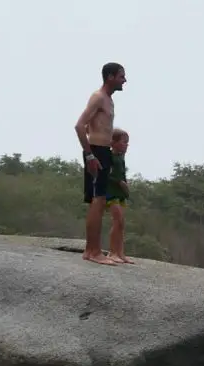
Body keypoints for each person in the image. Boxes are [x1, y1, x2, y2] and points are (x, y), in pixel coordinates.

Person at [73, 62, 127, 265]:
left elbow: (90, 126)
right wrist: (89, 155)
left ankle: (91, 251)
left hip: (103, 151)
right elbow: (79, 126)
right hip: (95, 152)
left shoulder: (109, 101)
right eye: (121, 76)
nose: (125, 80)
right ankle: (93, 251)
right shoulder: (98, 97)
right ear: (110, 76)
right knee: (97, 200)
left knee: (100, 200)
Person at [105, 128, 133, 264]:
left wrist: (126, 187)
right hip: (111, 192)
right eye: (124, 142)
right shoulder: (108, 156)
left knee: (121, 223)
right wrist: (119, 182)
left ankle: (121, 253)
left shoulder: (121, 157)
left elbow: (122, 174)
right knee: (117, 221)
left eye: (127, 142)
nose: (126, 145)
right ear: (113, 142)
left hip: (121, 193)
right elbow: (105, 174)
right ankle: (112, 252)